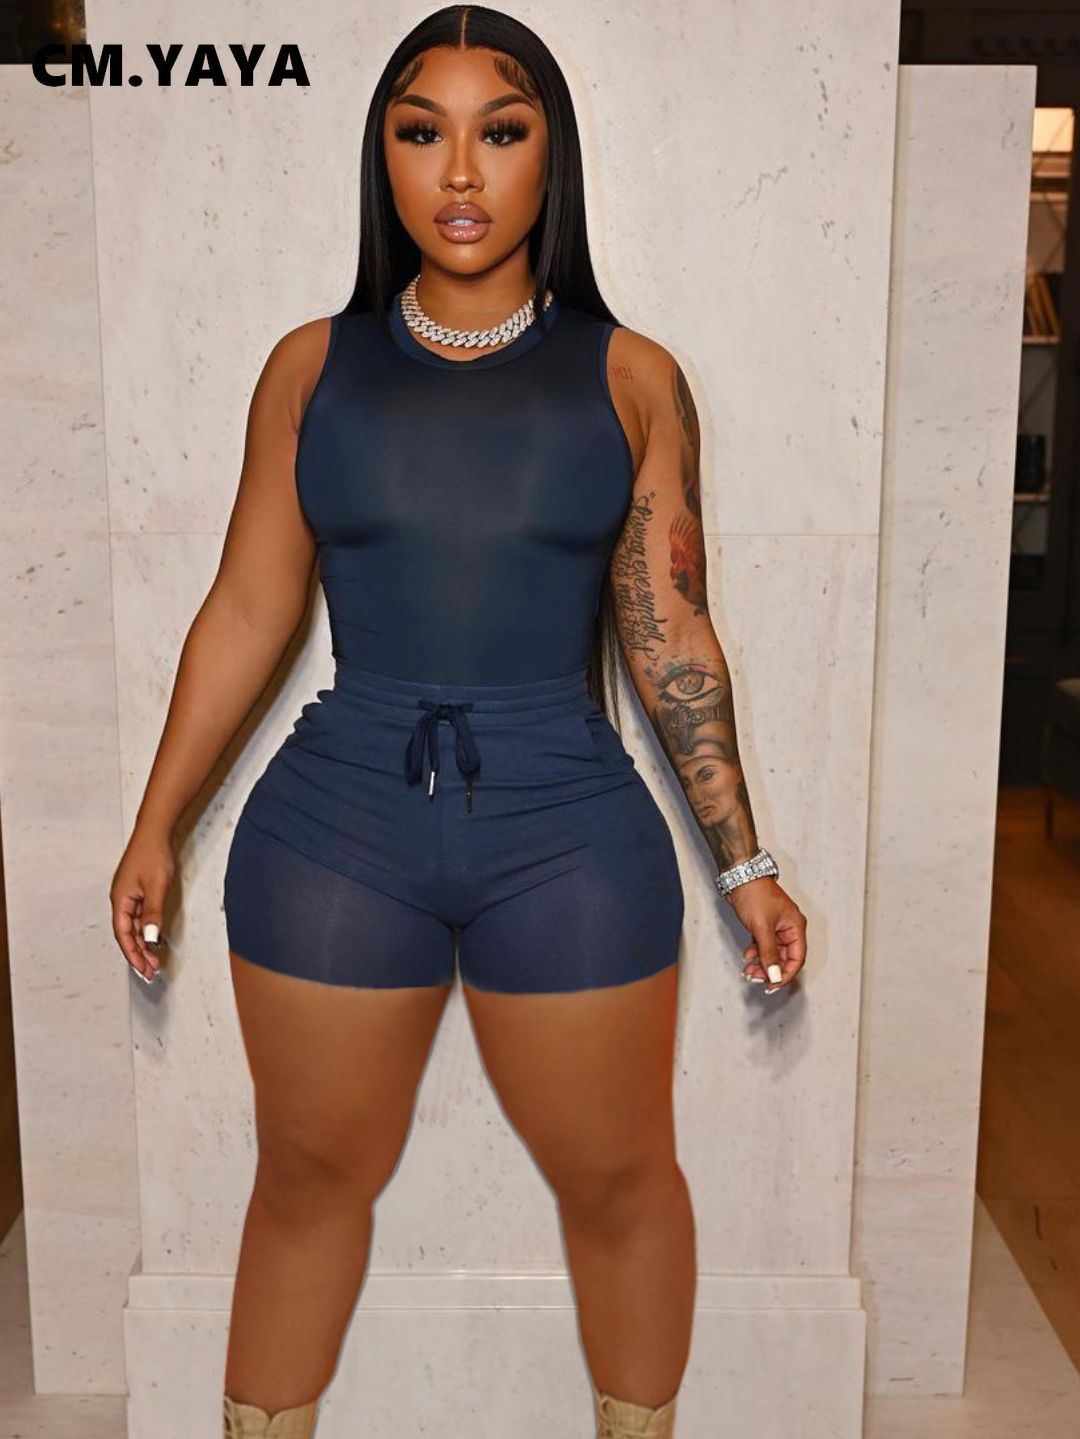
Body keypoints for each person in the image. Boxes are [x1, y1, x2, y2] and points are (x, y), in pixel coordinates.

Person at [109, 8, 808, 1438]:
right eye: (423, 131)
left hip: (569, 823)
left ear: (554, 155)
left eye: (505, 130)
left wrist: (745, 864)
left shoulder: (631, 377)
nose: (464, 171)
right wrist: (153, 824)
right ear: (385, 158)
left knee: (622, 1182)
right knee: (307, 1182)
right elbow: (247, 609)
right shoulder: (310, 368)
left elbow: (670, 633)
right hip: (335, 825)